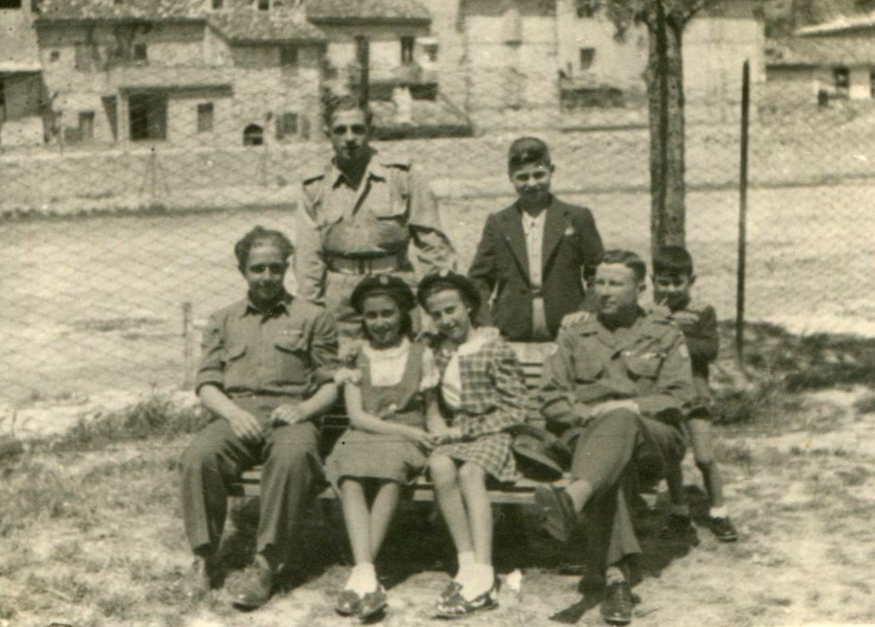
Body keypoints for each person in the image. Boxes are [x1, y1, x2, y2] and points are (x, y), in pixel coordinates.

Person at [180, 227, 339, 611]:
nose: (267, 277)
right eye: (257, 269)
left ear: (286, 268)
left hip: (291, 417)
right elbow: (206, 385)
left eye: (275, 268)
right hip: (236, 416)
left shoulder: (313, 317)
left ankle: (267, 563)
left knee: (292, 458)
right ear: (243, 271)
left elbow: (331, 385)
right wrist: (233, 414)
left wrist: (303, 410)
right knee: (198, 457)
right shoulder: (223, 320)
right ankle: (204, 558)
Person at [536, 250, 696, 625]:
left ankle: (573, 499)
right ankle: (617, 578)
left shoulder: (664, 332)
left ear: (640, 289)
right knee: (613, 463)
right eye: (599, 283)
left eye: (615, 284)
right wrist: (587, 415)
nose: (604, 291)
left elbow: (680, 395)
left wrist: (629, 407)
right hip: (587, 436)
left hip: (652, 438)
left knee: (621, 420)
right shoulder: (575, 333)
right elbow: (551, 396)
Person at [323, 274, 444, 620]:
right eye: (371, 315)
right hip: (364, 432)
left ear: (403, 313)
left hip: (404, 438)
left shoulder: (421, 354)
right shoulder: (355, 356)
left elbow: (431, 412)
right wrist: (405, 431)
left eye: (387, 313)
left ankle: (360, 575)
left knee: (391, 471)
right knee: (350, 473)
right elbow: (357, 417)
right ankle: (366, 574)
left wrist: (438, 434)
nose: (380, 323)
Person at [295, 95, 456, 340]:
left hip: (396, 288)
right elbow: (309, 257)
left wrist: (438, 306)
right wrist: (311, 312)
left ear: (371, 131)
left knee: (405, 358)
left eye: (357, 129)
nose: (350, 137)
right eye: (340, 130)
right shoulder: (315, 186)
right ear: (328, 134)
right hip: (339, 298)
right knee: (342, 359)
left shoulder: (402, 177)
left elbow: (433, 246)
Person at [418, 271, 528, 618]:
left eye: (451, 310)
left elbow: (516, 409)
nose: (445, 320)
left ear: (468, 306)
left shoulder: (492, 346)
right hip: (457, 433)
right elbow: (433, 405)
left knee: (469, 474)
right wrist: (440, 428)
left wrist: (465, 431)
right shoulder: (436, 350)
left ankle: (484, 569)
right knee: (439, 465)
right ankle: (465, 563)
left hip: (494, 431)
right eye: (437, 314)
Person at [468, 136, 604, 342]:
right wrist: (485, 322)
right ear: (510, 177)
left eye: (539, 175)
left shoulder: (577, 217)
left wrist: (586, 309)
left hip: (568, 327)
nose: (532, 184)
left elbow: (598, 272)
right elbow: (479, 279)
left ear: (551, 171)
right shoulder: (498, 223)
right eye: (522, 177)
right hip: (511, 329)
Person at [651, 246, 738, 542]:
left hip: (695, 394)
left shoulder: (702, 312)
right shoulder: (647, 313)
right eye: (664, 282)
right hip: (663, 395)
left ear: (691, 281)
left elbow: (708, 349)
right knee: (671, 457)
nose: (671, 289)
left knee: (704, 457)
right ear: (653, 281)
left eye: (678, 282)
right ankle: (679, 512)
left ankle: (719, 512)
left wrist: (671, 334)